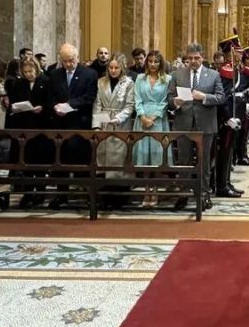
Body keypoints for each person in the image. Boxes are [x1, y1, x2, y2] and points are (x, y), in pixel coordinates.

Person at [168, 43, 226, 211]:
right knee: (183, 161)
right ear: (186, 58)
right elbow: (169, 99)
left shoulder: (213, 75)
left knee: (204, 162)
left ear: (202, 57)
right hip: (183, 124)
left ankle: (204, 194)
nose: (193, 61)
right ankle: (183, 194)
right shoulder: (178, 74)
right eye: (190, 58)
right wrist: (175, 102)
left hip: (205, 126)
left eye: (196, 58)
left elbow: (221, 98)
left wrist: (205, 97)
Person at [44, 43, 98, 209]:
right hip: (60, 124)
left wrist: (69, 105)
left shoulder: (89, 74)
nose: (68, 64)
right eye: (65, 61)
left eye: (71, 60)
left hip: (79, 123)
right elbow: (49, 96)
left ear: (77, 57)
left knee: (82, 160)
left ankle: (85, 194)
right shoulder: (54, 75)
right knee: (61, 160)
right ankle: (61, 194)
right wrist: (55, 106)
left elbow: (89, 97)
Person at [4, 58, 50, 208]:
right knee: (28, 161)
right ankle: (28, 192)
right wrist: (16, 107)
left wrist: (42, 107)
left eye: (31, 71)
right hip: (25, 126)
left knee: (41, 162)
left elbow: (50, 101)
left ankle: (41, 193)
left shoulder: (46, 81)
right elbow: (14, 103)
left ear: (36, 69)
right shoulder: (19, 83)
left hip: (41, 126)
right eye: (25, 72)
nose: (28, 74)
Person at [93, 57, 136, 208]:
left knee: (119, 160)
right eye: (111, 67)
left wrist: (118, 118)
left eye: (116, 68)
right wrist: (97, 126)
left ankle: (121, 197)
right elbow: (97, 104)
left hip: (121, 124)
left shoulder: (128, 83)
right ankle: (105, 197)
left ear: (122, 68)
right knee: (103, 160)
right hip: (104, 122)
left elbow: (130, 106)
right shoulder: (101, 82)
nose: (113, 70)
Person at [134, 50, 173, 206]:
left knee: (156, 157)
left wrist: (154, 117)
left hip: (158, 120)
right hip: (142, 120)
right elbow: (137, 98)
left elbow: (165, 101)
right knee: (144, 157)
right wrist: (143, 116)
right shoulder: (139, 78)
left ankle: (155, 191)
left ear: (160, 63)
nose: (152, 64)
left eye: (156, 61)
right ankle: (145, 192)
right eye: (150, 61)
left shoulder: (167, 79)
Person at [214, 34, 244, 197]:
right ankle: (221, 186)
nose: (240, 55)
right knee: (225, 151)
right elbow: (223, 97)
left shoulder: (233, 69)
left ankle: (227, 182)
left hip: (234, 116)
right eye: (238, 52)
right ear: (230, 53)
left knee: (230, 150)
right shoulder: (227, 71)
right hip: (227, 120)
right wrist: (227, 119)